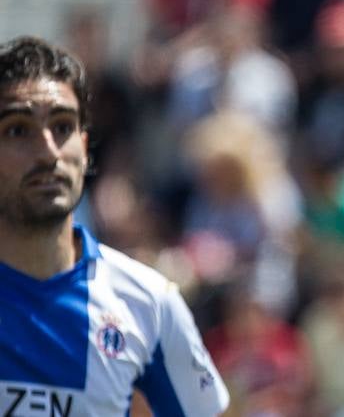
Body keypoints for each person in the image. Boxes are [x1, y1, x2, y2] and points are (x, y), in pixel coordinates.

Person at [0, 36, 231, 415]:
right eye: (18, 130)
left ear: (85, 146)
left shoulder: (148, 303)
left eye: (62, 126)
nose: (48, 152)